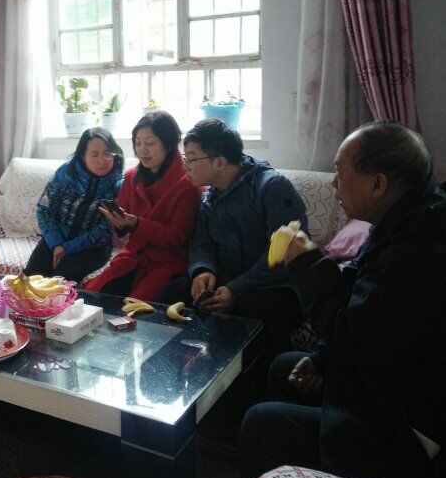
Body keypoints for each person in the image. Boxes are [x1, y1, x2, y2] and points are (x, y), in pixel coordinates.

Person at [240, 121, 446, 478]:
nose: (334, 184)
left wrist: (306, 263)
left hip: (408, 421)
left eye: (339, 171)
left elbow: (353, 334)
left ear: (377, 184)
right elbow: (362, 303)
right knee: (286, 367)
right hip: (383, 374)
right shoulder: (401, 220)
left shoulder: (422, 251)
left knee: (261, 424)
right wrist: (323, 358)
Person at [166, 119, 308, 357]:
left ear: (220, 162)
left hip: (275, 284)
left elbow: (283, 253)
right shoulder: (209, 195)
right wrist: (202, 270)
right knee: (176, 291)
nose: (185, 166)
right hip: (230, 279)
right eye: (184, 158)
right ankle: (183, 371)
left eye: (191, 158)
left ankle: (246, 376)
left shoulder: (272, 187)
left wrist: (235, 288)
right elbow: (201, 243)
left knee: (253, 309)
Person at [83, 112, 200, 301]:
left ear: (168, 144)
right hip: (134, 255)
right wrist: (120, 224)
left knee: (134, 310)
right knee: (91, 296)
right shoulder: (132, 176)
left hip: (168, 262)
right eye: (138, 143)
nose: (142, 150)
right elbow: (125, 222)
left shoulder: (188, 183)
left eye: (150, 143)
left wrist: (136, 224)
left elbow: (178, 236)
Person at [24, 127, 124, 283]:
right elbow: (44, 209)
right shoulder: (66, 173)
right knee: (30, 279)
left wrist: (67, 248)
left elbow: (105, 229)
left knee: (59, 282)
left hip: (91, 248)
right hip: (55, 239)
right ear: (83, 156)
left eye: (107, 153)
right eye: (95, 154)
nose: (102, 160)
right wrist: (56, 244)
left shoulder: (118, 185)